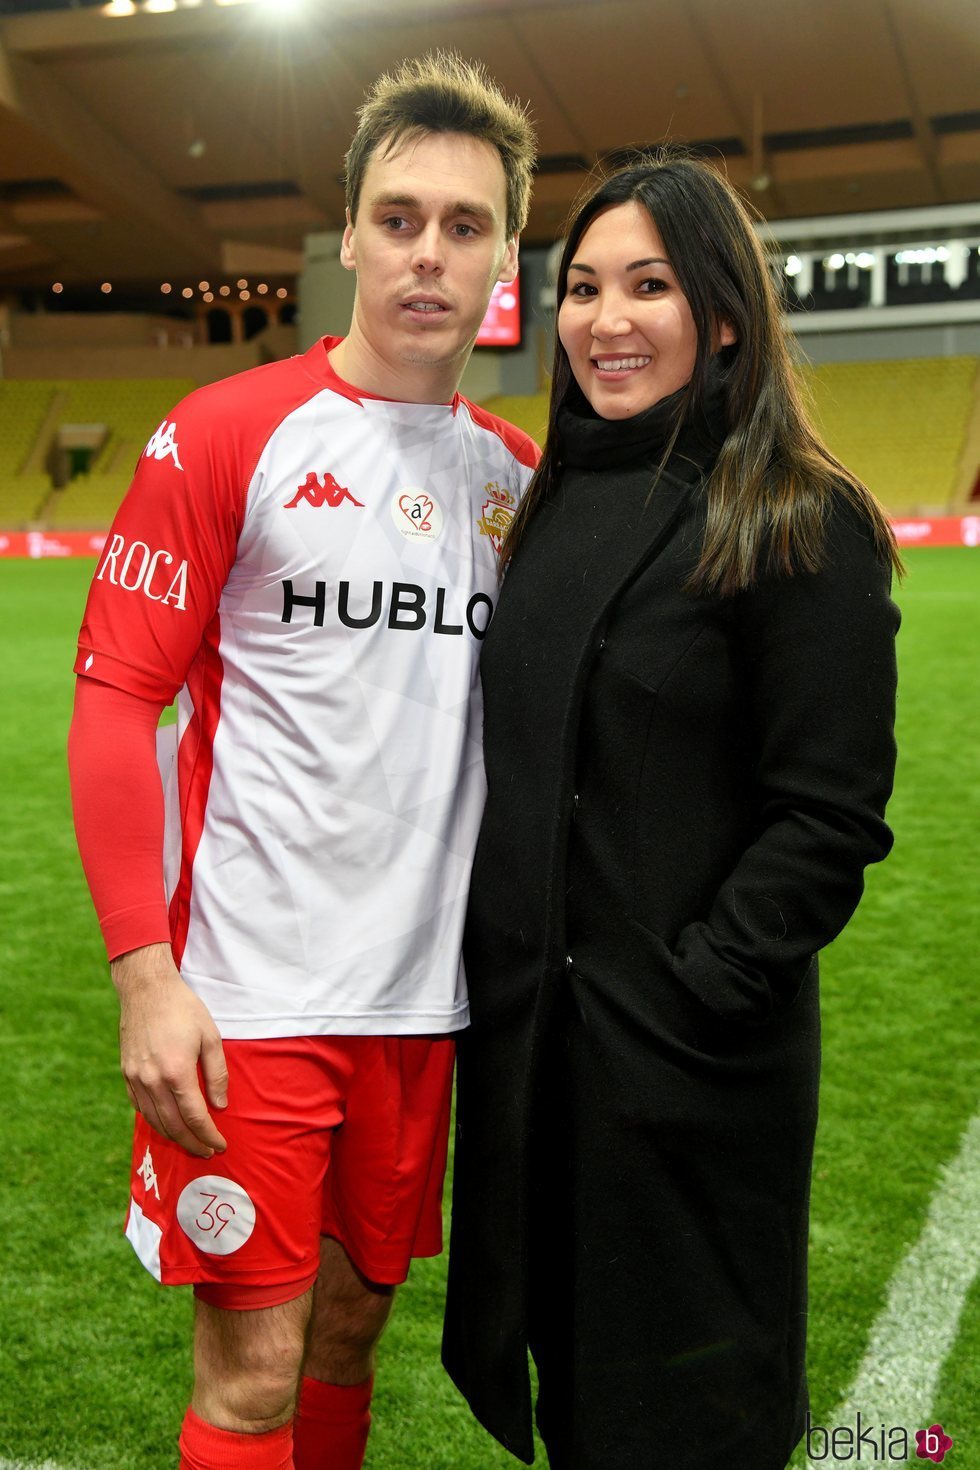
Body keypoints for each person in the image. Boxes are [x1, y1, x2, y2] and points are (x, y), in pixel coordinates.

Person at [67, 52, 537, 1470]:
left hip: (421, 1006)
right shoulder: (228, 433)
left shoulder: (517, 479)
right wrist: (145, 975)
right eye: (400, 218)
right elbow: (115, 704)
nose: (428, 254)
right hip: (249, 997)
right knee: (255, 1369)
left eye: (465, 226)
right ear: (349, 234)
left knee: (346, 1337)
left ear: (506, 254)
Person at [442, 150, 901, 1470]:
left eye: (648, 284)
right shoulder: (554, 500)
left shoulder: (797, 516)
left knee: (695, 1419)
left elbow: (826, 820)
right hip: (542, 1070)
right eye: (582, 287)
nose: (604, 318)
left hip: (686, 1074)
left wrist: (693, 993)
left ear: (722, 315)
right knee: (586, 1407)